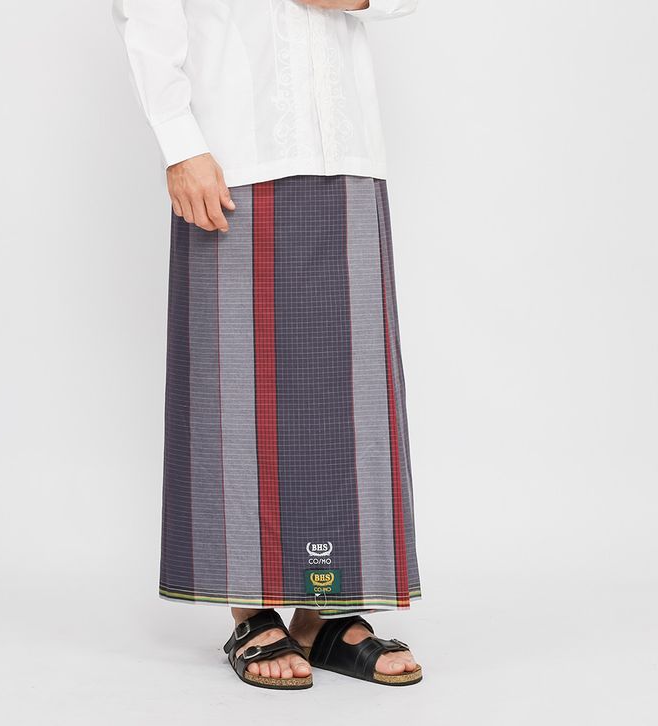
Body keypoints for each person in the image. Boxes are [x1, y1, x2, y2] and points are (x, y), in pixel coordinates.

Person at [112, 0, 423, 689]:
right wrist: (180, 143)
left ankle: (327, 613)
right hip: (235, 151)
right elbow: (146, 11)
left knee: (344, 396)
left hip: (348, 150)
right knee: (233, 390)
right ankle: (249, 608)